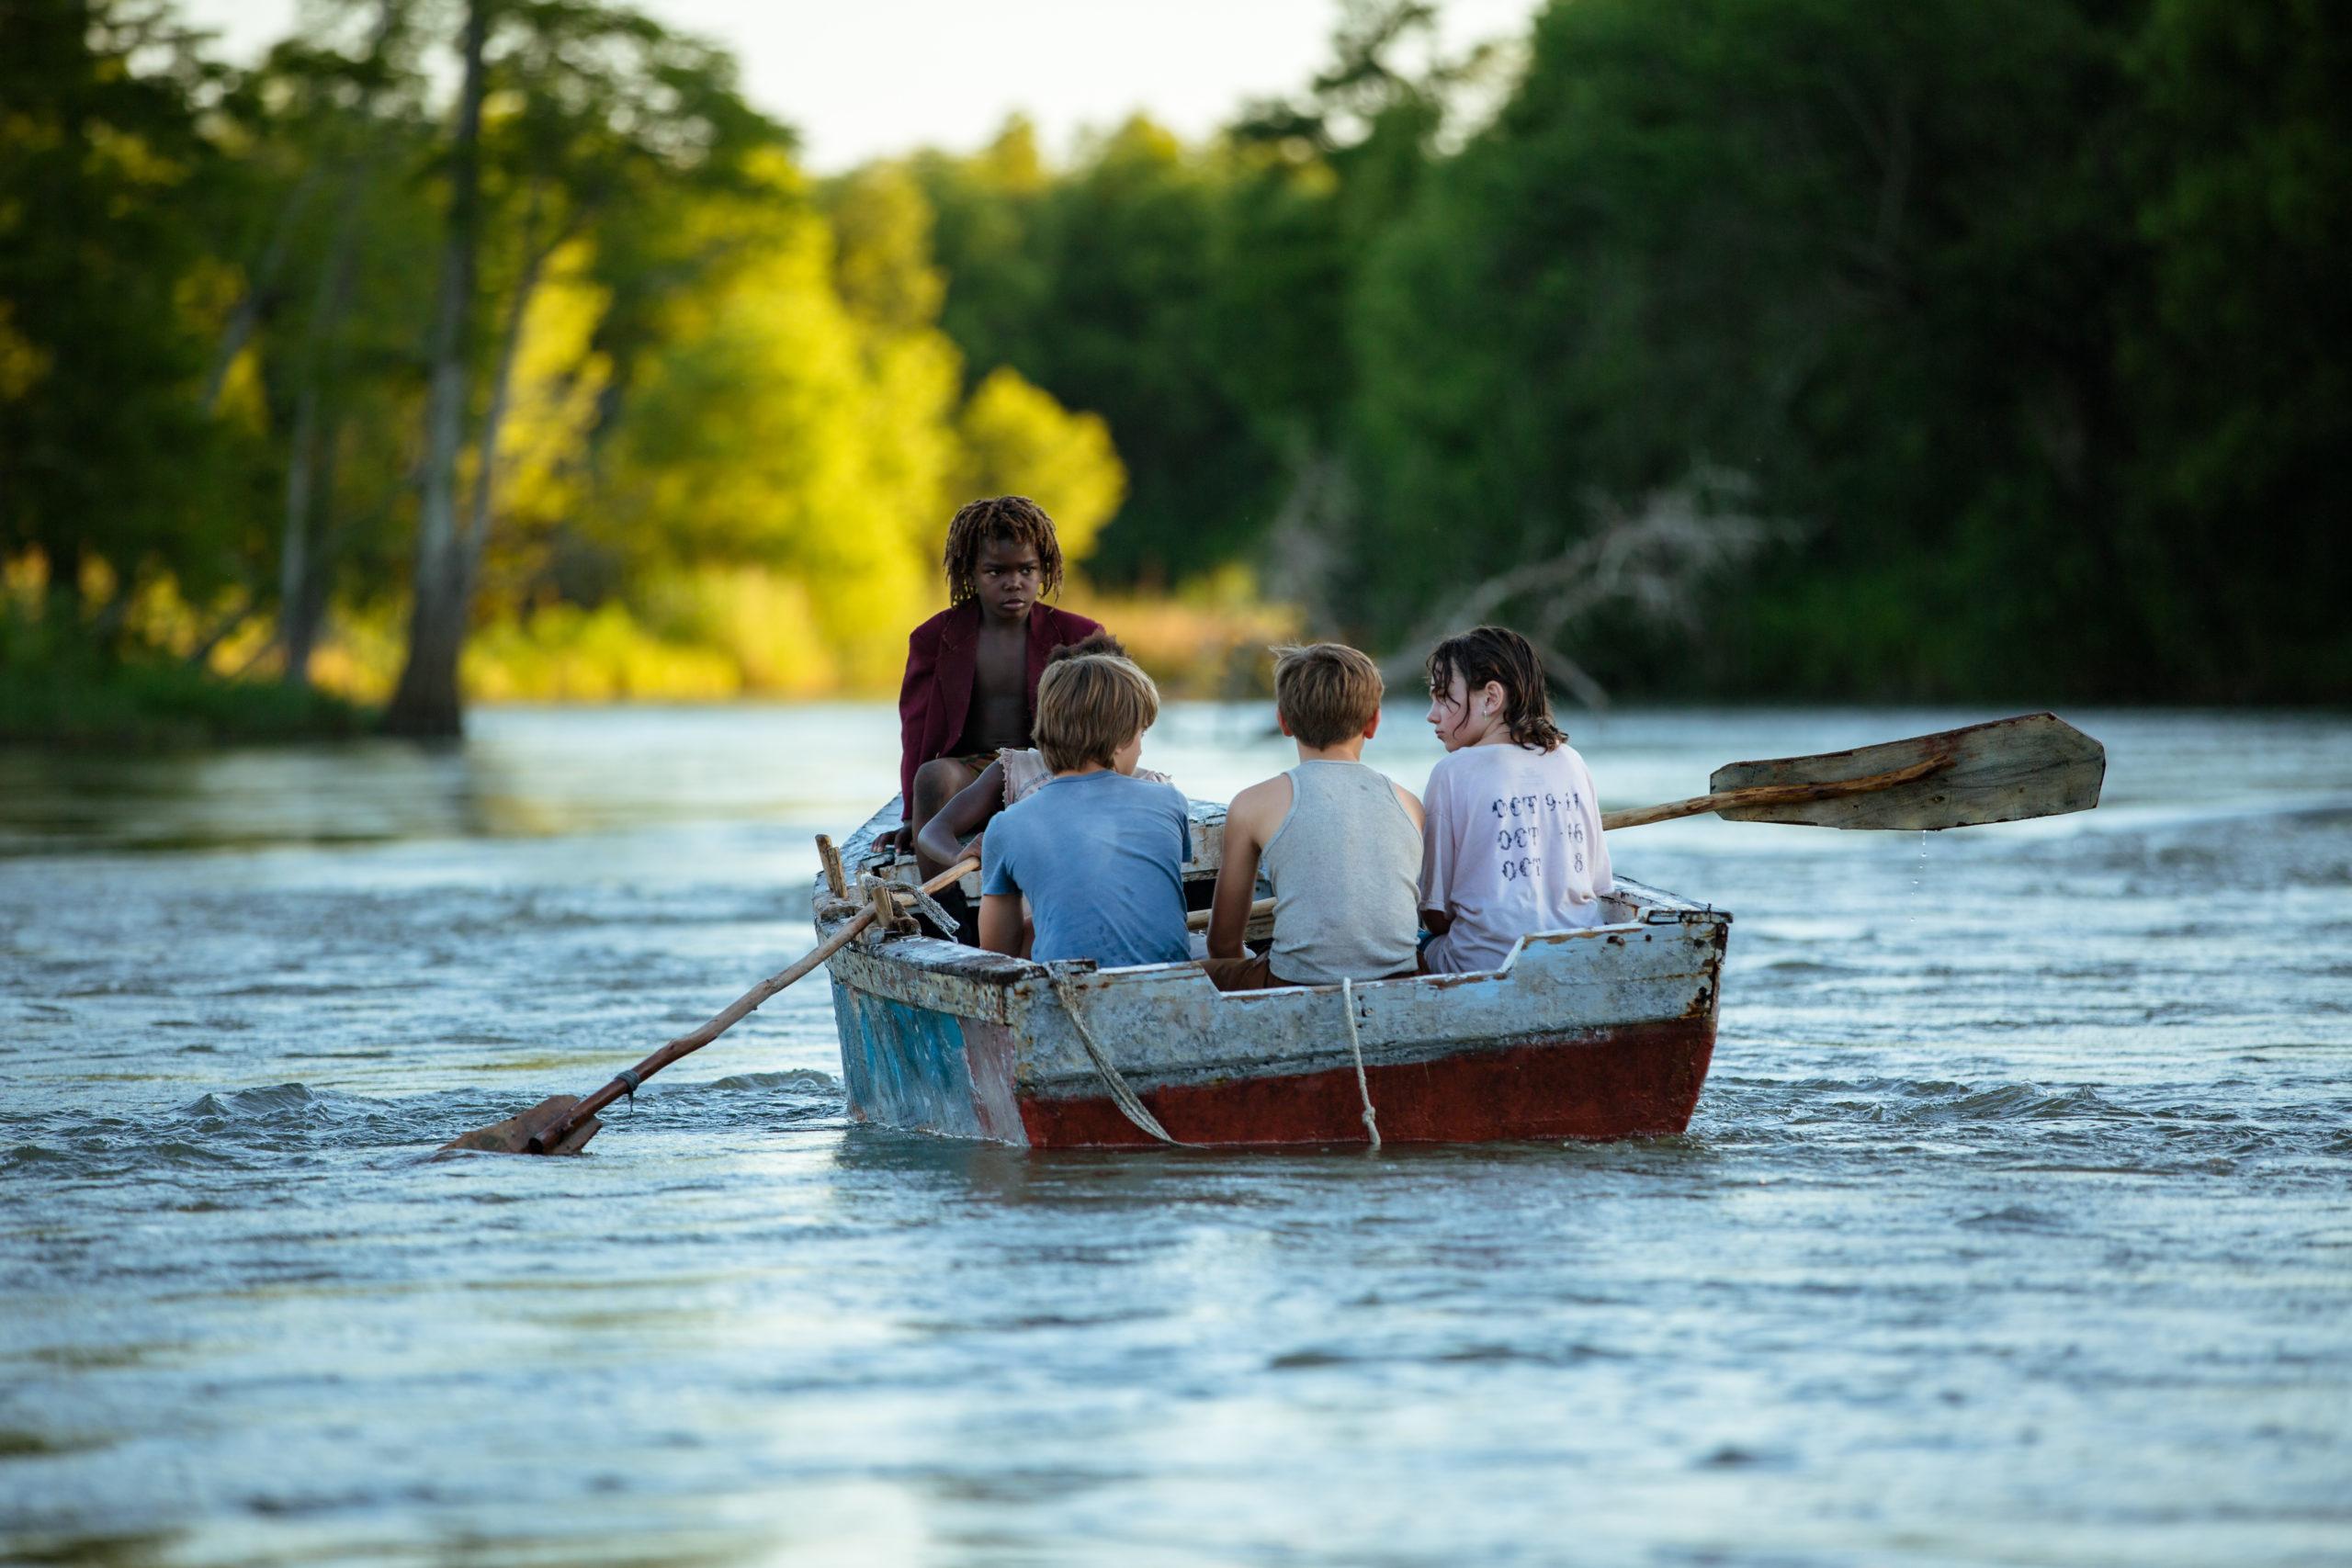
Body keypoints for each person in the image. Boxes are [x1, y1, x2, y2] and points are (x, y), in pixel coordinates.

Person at [1202, 643, 1424, 991]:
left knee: (1195, 971)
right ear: (1373, 722)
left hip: (1291, 981)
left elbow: (1223, 944)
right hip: (1401, 981)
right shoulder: (1410, 803)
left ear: (1283, 722)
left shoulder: (1250, 805)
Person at [896, 496, 1103, 852]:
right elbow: (916, 731)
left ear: (1044, 569)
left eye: (1027, 570)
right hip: (972, 772)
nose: (1014, 582)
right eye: (996, 572)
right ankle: (941, 901)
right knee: (932, 777)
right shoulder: (935, 638)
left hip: (1051, 768)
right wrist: (912, 817)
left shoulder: (1079, 635)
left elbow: (1109, 721)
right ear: (970, 573)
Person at [1417, 626, 1615, 973]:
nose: (1432, 714)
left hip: (1485, 965)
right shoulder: (1573, 761)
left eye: (1444, 695)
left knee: (1411, 945)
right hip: (1580, 957)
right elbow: (1597, 885)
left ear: (1491, 698)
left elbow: (1436, 914)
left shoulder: (1451, 772)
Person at [978, 651, 1193, 967]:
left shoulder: (1006, 825)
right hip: (1167, 981)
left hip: (1067, 991)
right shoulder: (1169, 801)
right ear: (1120, 741)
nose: (1142, 747)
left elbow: (998, 953)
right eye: (1140, 734)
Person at [912, 631, 1173, 881]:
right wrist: (959, 854)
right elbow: (931, 832)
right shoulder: (1015, 769)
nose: (1141, 746)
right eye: (1141, 731)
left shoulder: (1150, 788)